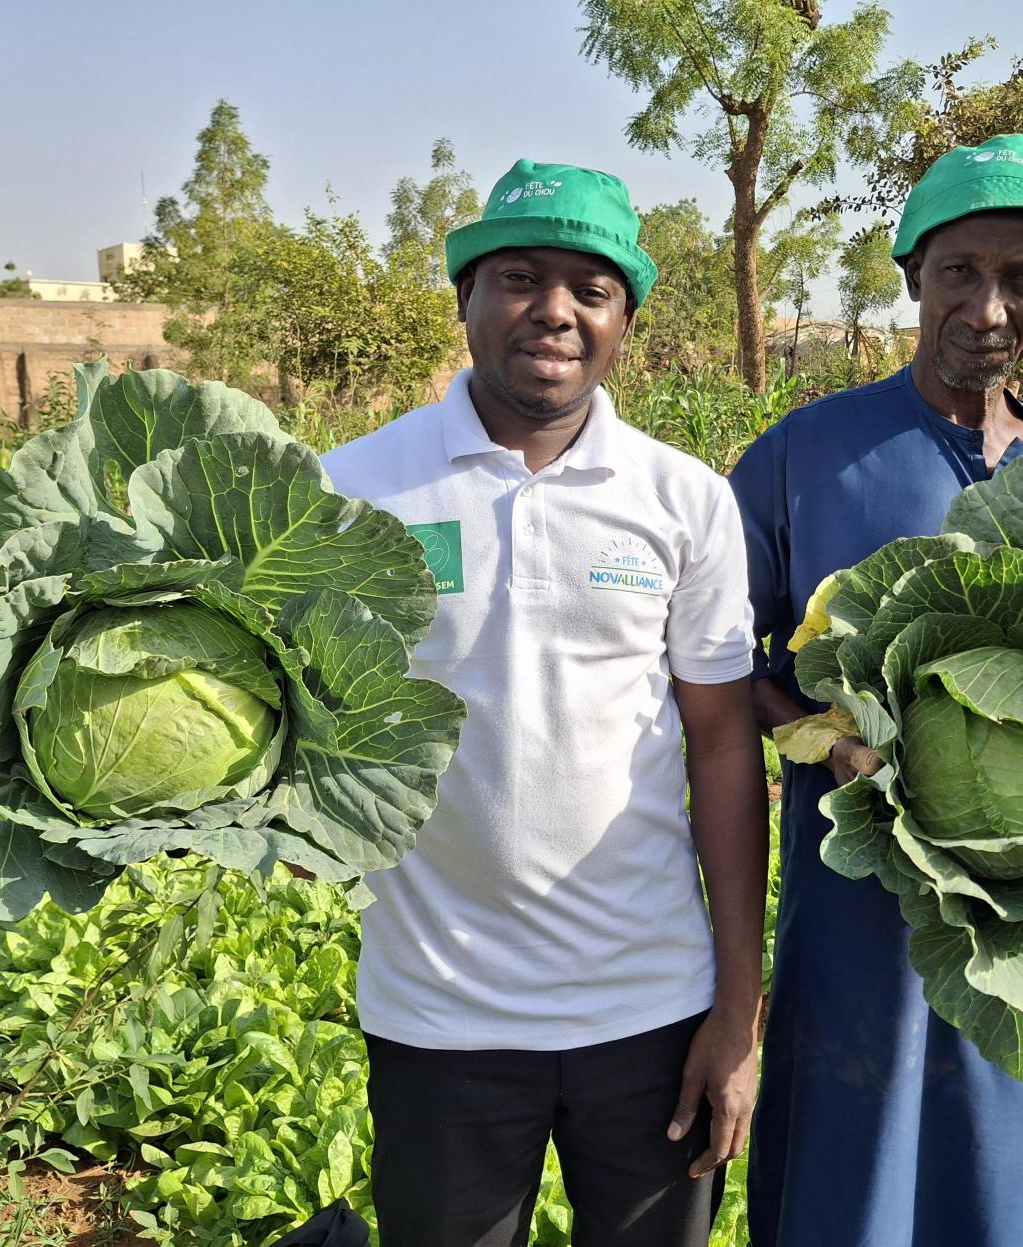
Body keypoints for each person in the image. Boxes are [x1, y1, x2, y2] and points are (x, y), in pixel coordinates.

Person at [320, 159, 767, 1247]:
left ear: (622, 322)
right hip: (438, 1009)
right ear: (466, 296)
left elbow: (719, 741)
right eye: (519, 276)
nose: (554, 309)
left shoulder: (682, 498)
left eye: (591, 288)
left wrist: (736, 1007)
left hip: (649, 1004)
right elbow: (297, 717)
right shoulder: (352, 488)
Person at [728, 133, 1023, 1247]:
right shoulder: (809, 452)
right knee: (845, 1183)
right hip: (857, 913)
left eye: (1022, 278)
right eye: (958, 270)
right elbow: (715, 658)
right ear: (912, 276)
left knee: (999, 1182)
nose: (987, 307)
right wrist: (819, 736)